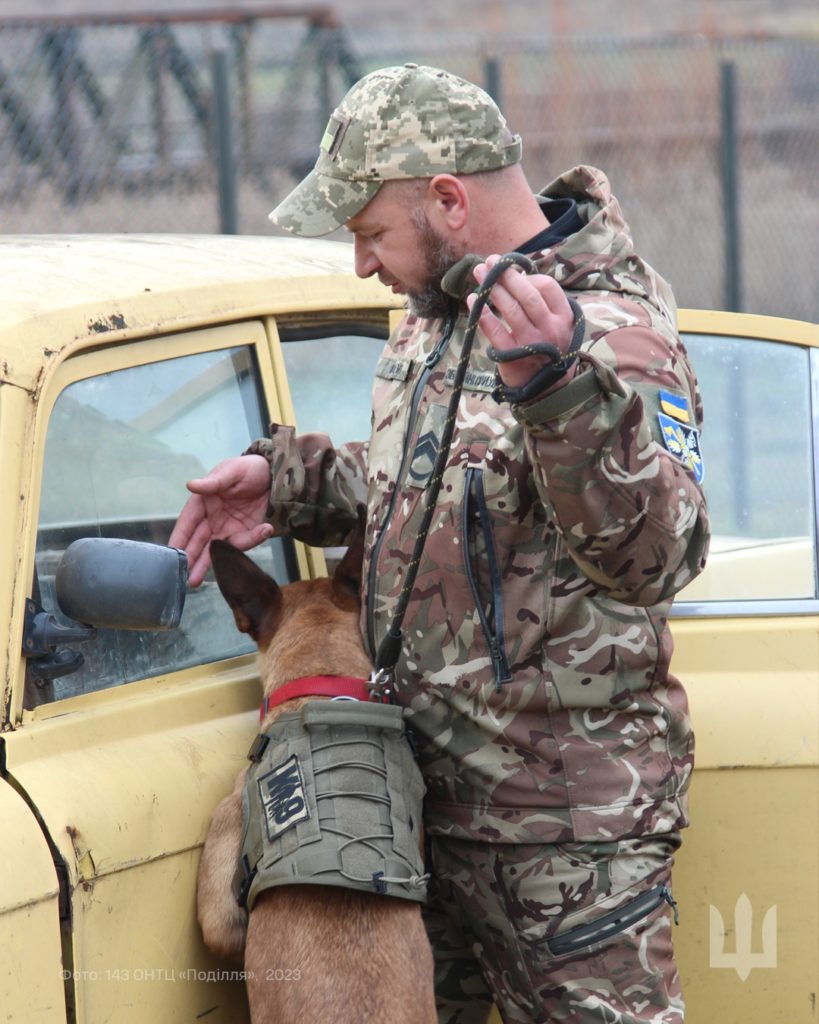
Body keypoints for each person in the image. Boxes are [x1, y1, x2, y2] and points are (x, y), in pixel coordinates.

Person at [171, 64, 709, 1024]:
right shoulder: (434, 319)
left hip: (564, 846)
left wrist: (561, 394)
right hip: (415, 814)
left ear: (449, 202)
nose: (361, 265)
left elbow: (659, 554)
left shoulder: (616, 328)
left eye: (369, 233)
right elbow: (444, 496)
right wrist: (292, 485)